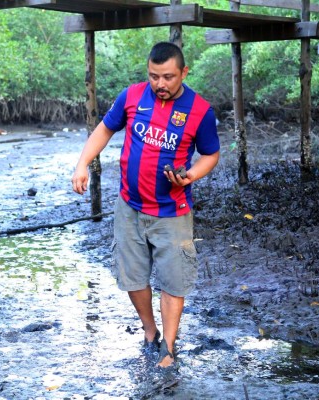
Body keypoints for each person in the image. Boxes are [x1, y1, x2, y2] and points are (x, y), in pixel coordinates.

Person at [71, 41, 220, 368]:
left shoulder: (199, 111)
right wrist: (83, 163)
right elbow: (104, 129)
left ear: (184, 72)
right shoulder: (132, 96)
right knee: (132, 277)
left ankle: (168, 347)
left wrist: (191, 175)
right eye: (154, 76)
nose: (160, 84)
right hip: (130, 207)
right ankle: (149, 332)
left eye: (168, 77)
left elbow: (211, 154)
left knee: (174, 279)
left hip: (172, 212)